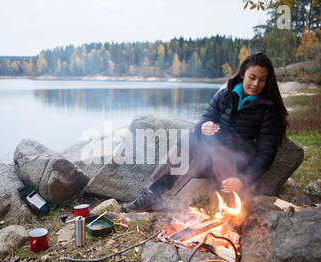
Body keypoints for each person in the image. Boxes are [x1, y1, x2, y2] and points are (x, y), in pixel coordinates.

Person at [123, 52, 289, 211]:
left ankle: (229, 202)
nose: (256, 84)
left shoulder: (269, 109)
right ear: (242, 75)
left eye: (262, 80)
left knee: (221, 135)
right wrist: (203, 126)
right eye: (252, 78)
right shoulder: (225, 95)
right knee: (191, 138)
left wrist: (242, 179)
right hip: (213, 157)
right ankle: (152, 194)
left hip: (239, 164)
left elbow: (266, 153)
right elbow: (204, 119)